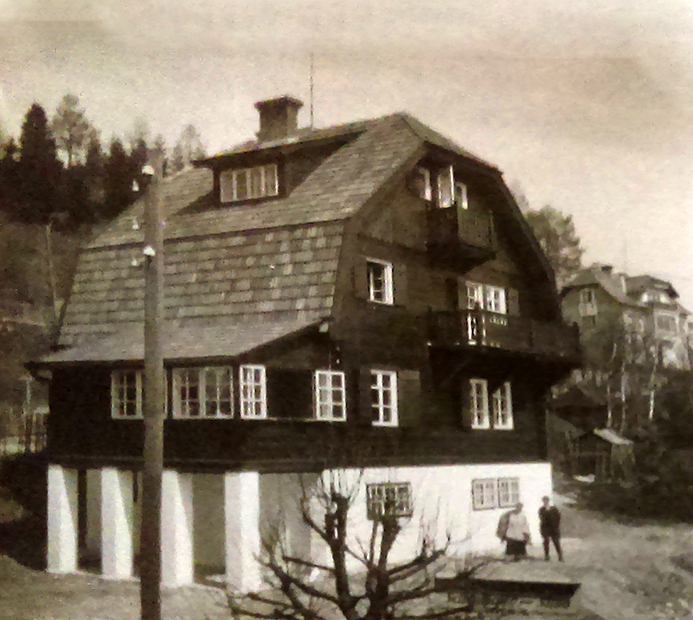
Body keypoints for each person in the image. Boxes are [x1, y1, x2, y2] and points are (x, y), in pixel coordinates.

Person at [539, 495, 563, 561]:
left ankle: (560, 556)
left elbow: (558, 517)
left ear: (548, 501)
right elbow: (542, 518)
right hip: (545, 527)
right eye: (544, 501)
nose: (545, 502)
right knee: (546, 542)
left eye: (546, 501)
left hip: (553, 528)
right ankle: (547, 556)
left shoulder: (554, 509)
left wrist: (556, 526)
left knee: (556, 542)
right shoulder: (542, 509)